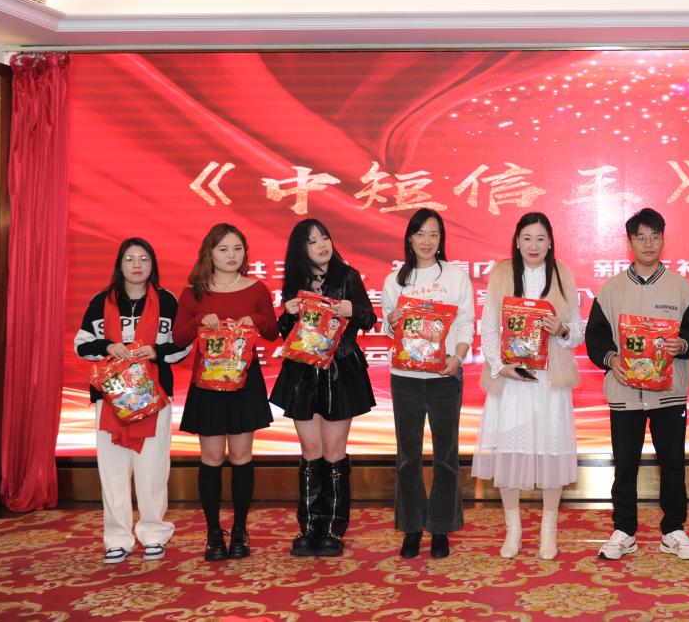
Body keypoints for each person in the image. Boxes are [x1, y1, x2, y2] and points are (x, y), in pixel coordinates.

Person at [584, 208, 689, 561]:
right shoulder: (611, 290)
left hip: (669, 394)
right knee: (625, 466)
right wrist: (611, 359)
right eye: (641, 237)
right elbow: (595, 337)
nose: (648, 243)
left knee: (673, 464)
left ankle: (673, 530)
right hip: (625, 392)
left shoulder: (682, 288)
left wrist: (682, 344)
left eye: (655, 236)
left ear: (663, 240)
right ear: (630, 242)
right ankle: (624, 531)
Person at [473, 212, 583, 560]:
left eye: (540, 238)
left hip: (550, 380)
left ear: (550, 242)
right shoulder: (501, 274)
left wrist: (561, 330)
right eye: (527, 238)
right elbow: (488, 327)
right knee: (510, 452)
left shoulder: (563, 275)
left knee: (551, 450)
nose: (533, 246)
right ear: (517, 241)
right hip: (512, 379)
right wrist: (500, 366)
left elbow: (577, 332)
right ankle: (514, 529)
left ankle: (549, 530)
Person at [270, 218, 378, 557]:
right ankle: (308, 528)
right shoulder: (295, 282)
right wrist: (287, 312)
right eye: (313, 241)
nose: (322, 245)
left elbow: (369, 318)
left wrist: (352, 309)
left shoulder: (347, 276)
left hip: (339, 374)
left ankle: (333, 527)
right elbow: (284, 332)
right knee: (310, 450)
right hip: (303, 375)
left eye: (325, 238)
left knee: (334, 451)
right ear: (301, 249)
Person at [73, 237, 185, 564]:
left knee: (152, 469)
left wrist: (156, 351)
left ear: (153, 264)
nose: (137, 265)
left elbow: (184, 345)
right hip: (110, 398)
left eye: (144, 259)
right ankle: (117, 538)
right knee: (112, 471)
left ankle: (154, 534)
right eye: (130, 259)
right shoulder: (100, 301)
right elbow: (81, 345)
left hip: (155, 396)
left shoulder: (167, 301)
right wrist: (108, 346)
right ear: (119, 265)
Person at [172, 223, 279, 562]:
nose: (232, 255)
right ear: (209, 253)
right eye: (223, 249)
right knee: (212, 458)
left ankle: (240, 530)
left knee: (242, 457)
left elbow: (273, 332)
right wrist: (200, 321)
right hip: (208, 384)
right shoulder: (194, 292)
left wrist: (254, 320)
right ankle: (213, 533)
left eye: (237, 248)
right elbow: (177, 337)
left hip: (245, 382)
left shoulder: (256, 288)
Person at [381, 208, 474, 559]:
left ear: (441, 239)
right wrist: (392, 321)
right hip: (405, 378)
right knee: (408, 456)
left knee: (446, 456)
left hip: (445, 377)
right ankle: (411, 527)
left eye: (433, 234)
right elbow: (389, 328)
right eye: (420, 234)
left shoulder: (455, 277)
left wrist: (458, 358)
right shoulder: (395, 280)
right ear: (409, 238)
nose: (426, 241)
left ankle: (441, 528)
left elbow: (465, 323)